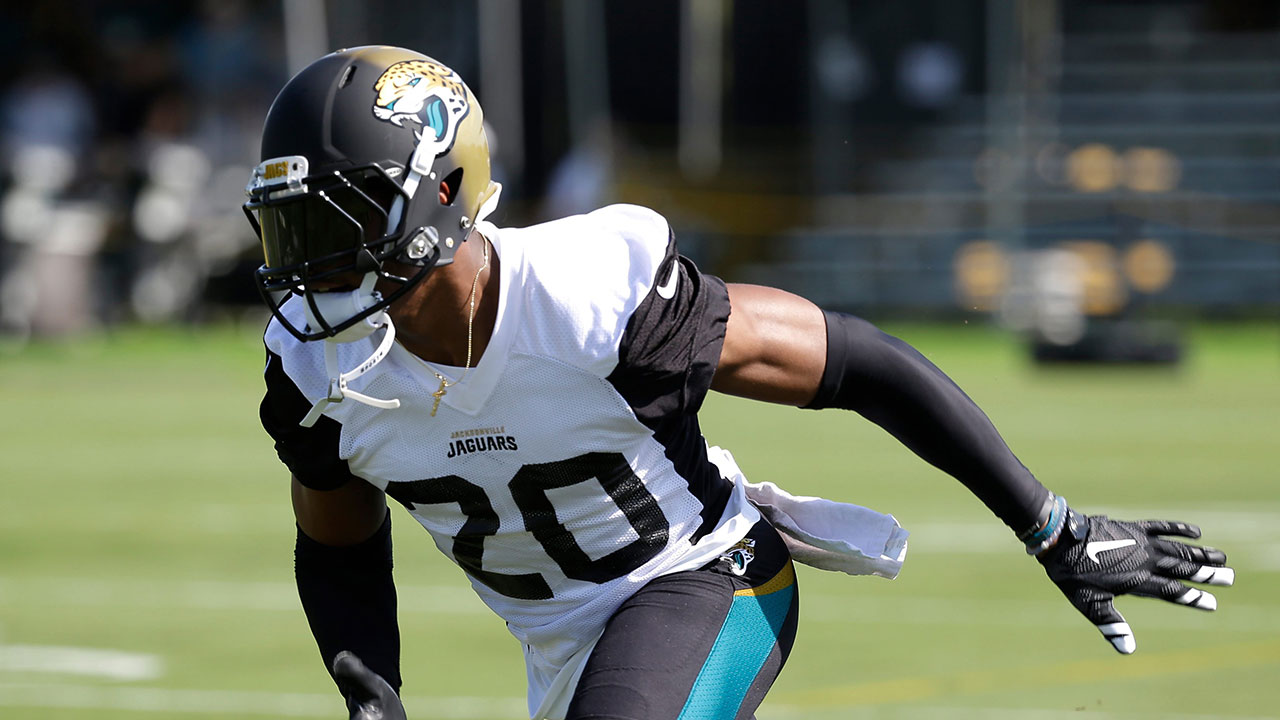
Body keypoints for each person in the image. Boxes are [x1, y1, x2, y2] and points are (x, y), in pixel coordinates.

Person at [244, 46, 1234, 720]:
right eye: (293, 229)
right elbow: (336, 547)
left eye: (336, 223)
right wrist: (372, 698)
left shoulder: (588, 300)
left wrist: (1052, 526)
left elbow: (854, 362)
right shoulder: (315, 370)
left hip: (704, 579)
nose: (309, 265)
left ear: (444, 193)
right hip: (561, 647)